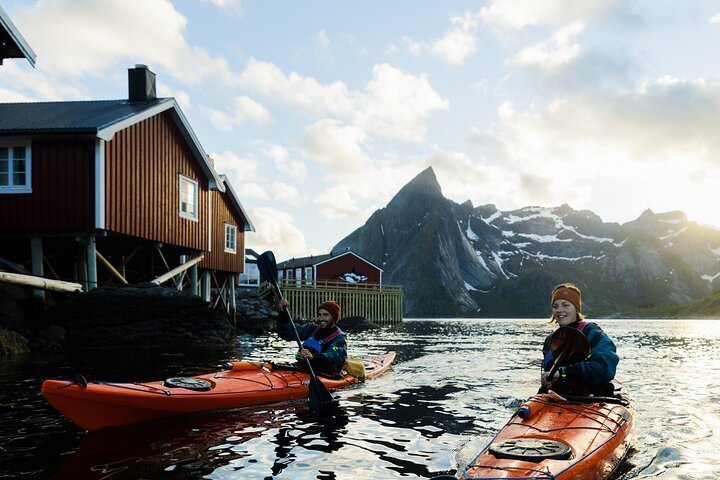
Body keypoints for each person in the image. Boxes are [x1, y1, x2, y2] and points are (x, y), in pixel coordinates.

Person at [540, 283, 619, 396]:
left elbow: (605, 367)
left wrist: (564, 373)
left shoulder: (592, 332)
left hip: (591, 399)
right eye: (555, 306)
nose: (559, 310)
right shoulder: (550, 341)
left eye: (565, 305)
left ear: (576, 308)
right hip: (559, 399)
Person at [277, 299, 347, 376]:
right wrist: (283, 314)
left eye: (325, 315)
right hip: (303, 368)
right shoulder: (311, 329)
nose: (321, 318)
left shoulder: (340, 339)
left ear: (334, 317)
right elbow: (288, 333)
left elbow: (333, 356)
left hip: (325, 373)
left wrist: (313, 357)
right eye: (319, 315)